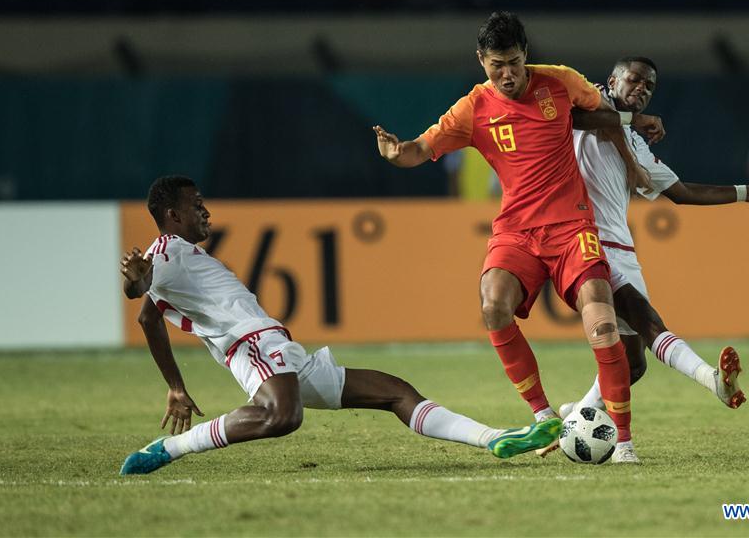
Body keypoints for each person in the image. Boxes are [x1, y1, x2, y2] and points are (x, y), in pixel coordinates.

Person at [118, 176, 561, 475]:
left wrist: (175, 385)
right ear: (173, 216)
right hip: (253, 345)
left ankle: (495, 438)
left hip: (277, 349)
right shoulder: (166, 251)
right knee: (282, 416)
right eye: (196, 206)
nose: (204, 211)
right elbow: (141, 290)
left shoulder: (175, 257)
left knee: (395, 391)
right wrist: (139, 280)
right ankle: (170, 449)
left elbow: (147, 318)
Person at [373, 12, 666, 463]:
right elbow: (422, 148)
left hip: (572, 228)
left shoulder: (560, 82)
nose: (507, 74)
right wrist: (397, 153)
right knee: (493, 305)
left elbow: (595, 114)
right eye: (496, 65)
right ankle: (543, 414)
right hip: (517, 229)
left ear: (525, 54)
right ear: (481, 61)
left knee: (603, 322)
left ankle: (623, 442)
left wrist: (633, 120)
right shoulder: (473, 108)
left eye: (513, 62)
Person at [561, 56, 749, 424]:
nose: (641, 89)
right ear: (613, 79)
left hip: (620, 246)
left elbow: (682, 191)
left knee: (633, 364)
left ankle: (576, 416)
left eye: (649, 87)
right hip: (584, 241)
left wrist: (746, 192)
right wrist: (630, 120)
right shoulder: (589, 102)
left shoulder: (636, 143)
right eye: (635, 80)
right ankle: (712, 380)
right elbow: (579, 119)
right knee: (648, 321)